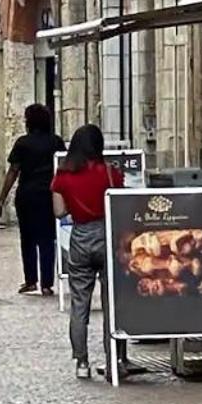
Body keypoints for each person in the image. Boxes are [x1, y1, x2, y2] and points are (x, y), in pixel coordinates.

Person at [51, 125, 124, 379]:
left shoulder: (62, 176)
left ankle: (81, 362)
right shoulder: (111, 174)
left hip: (80, 236)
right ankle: (113, 357)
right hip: (107, 235)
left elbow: (59, 212)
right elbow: (121, 204)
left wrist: (77, 206)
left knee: (79, 303)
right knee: (111, 303)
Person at [0, 104, 66, 296]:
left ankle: (30, 280)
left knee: (27, 238)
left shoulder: (23, 143)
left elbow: (13, 171)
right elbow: (63, 169)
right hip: (49, 195)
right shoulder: (56, 142)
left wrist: (2, 198)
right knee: (47, 239)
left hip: (27, 194)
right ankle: (46, 283)